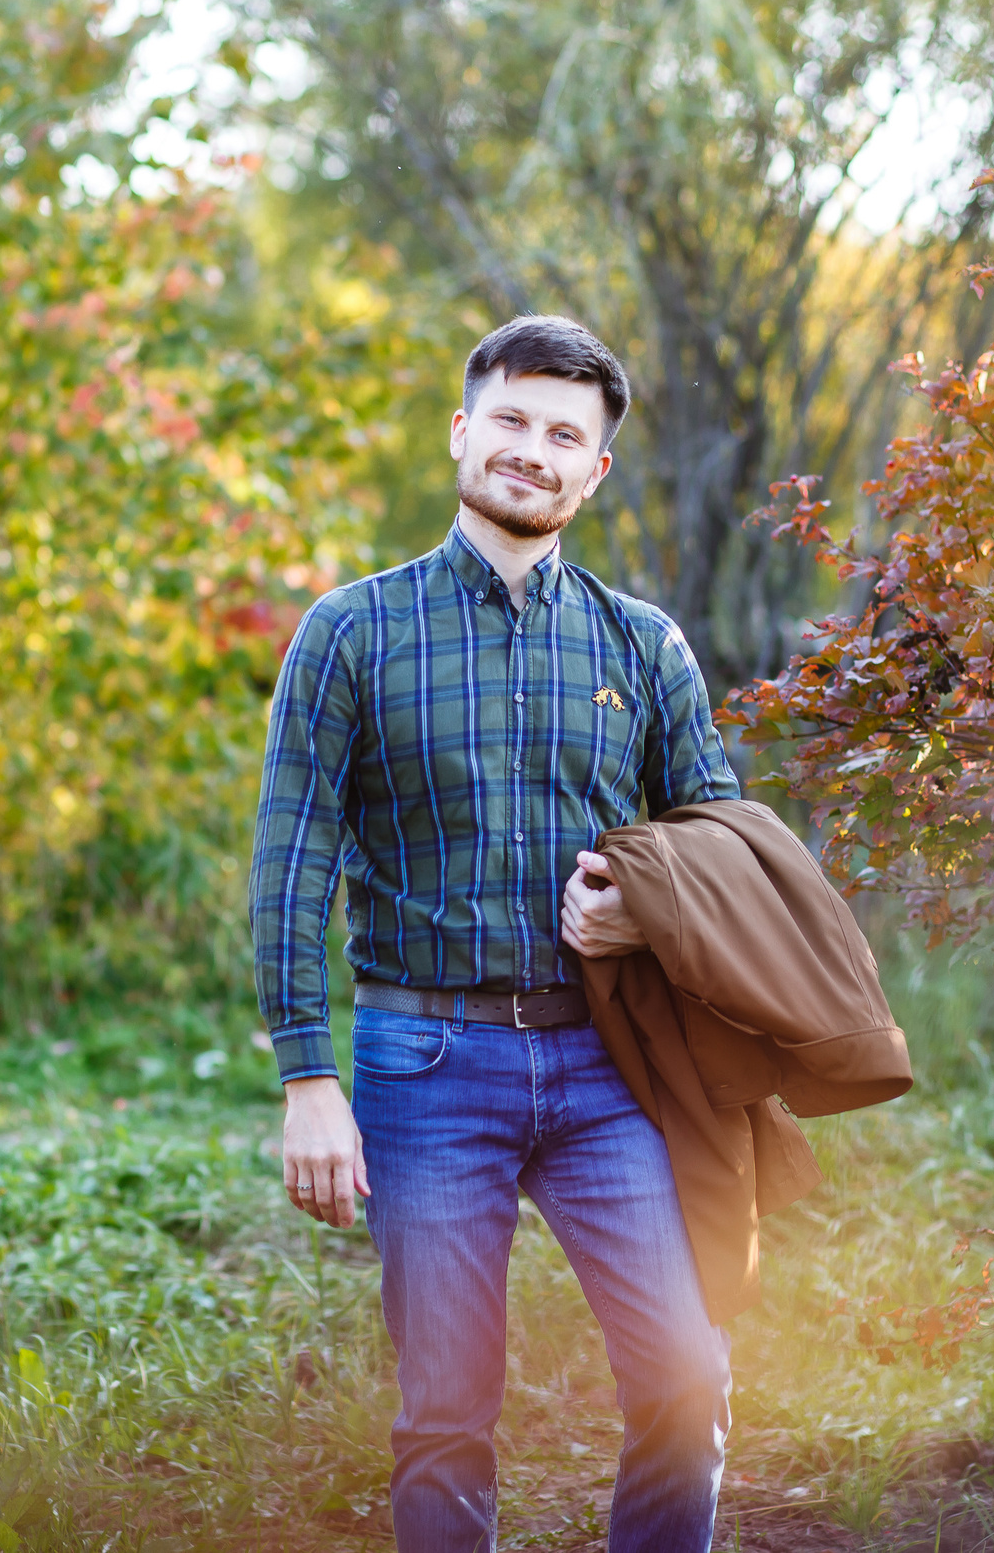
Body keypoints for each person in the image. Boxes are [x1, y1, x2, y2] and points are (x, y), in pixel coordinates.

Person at [250, 315, 740, 1553]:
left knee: (685, 1377)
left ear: (595, 473)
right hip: (422, 1064)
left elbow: (723, 834)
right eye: (512, 421)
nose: (532, 450)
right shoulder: (351, 633)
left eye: (563, 435)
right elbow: (291, 862)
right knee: (447, 1416)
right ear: (462, 431)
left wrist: (644, 902)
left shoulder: (643, 644)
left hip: (604, 1070)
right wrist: (309, 1078)